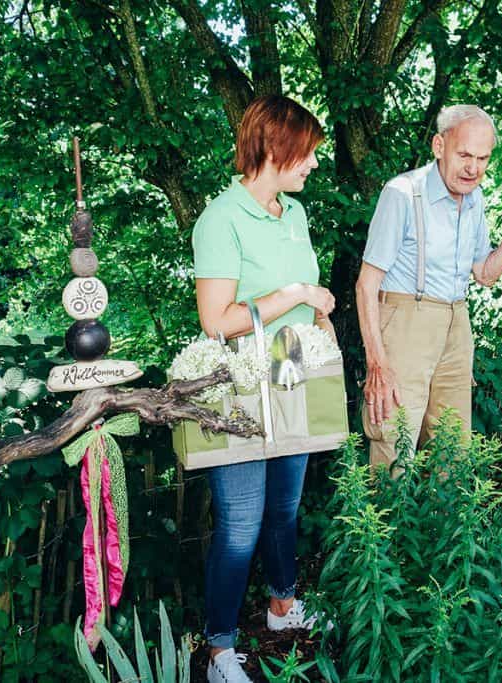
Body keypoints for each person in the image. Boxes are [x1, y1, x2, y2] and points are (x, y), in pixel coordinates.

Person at [191, 94, 334, 683]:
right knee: (242, 524)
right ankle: (220, 648)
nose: (314, 165)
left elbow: (309, 294)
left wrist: (320, 322)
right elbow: (214, 319)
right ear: (276, 148)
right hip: (241, 387)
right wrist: (296, 295)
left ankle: (282, 605)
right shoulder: (220, 219)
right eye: (307, 154)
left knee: (285, 507)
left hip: (294, 370)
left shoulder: (291, 215)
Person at [355, 104, 502, 467]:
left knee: (452, 442)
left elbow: (485, 273)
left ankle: (445, 525)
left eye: (482, 158)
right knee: (395, 437)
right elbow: (366, 285)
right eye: (464, 155)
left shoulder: (474, 200)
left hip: (456, 322)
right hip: (405, 319)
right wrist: (377, 364)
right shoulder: (402, 194)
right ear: (438, 146)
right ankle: (384, 520)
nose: (473, 168)